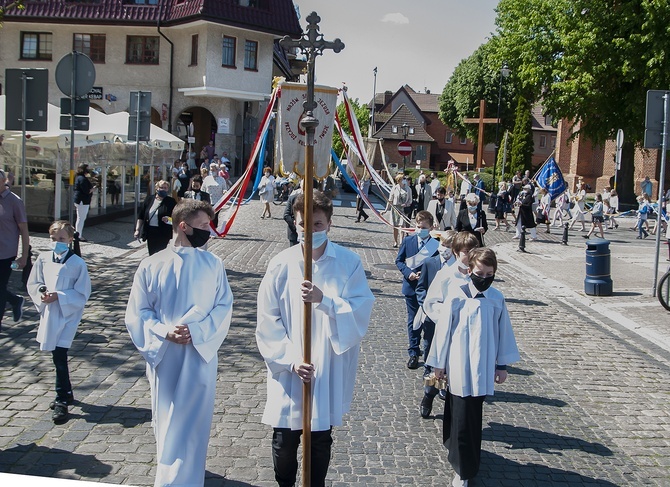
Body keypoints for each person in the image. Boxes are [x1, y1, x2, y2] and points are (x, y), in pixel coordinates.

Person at [256, 191, 374, 487]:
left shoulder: (348, 263)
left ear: (330, 224)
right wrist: (290, 360)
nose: (310, 232)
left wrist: (325, 301)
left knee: (319, 439)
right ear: (294, 223)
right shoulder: (280, 264)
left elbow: (361, 309)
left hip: (326, 363)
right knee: (284, 440)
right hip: (290, 366)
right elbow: (267, 319)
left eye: (318, 225)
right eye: (303, 225)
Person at [126, 199, 233, 487]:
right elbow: (139, 311)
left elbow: (223, 306)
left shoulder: (214, 264)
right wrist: (164, 331)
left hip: (200, 353)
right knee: (167, 416)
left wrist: (198, 331)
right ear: (183, 226)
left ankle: (190, 478)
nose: (207, 231)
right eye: (201, 226)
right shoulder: (151, 265)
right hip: (166, 354)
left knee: (195, 419)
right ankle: (169, 476)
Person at [426, 247, 520, 487]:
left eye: (490, 274)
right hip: (457, 362)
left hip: (483, 365)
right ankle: (459, 462)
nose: (485, 278)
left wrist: (501, 365)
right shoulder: (456, 296)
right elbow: (444, 331)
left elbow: (503, 333)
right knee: (458, 410)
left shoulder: (496, 298)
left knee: (470, 414)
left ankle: (465, 465)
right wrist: (438, 363)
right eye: (481, 273)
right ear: (469, 271)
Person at [27, 221, 91, 424]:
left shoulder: (77, 264)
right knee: (56, 355)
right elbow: (34, 282)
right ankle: (66, 392)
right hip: (50, 312)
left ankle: (61, 397)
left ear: (71, 240)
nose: (57, 243)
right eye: (54, 239)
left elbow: (82, 292)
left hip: (67, 314)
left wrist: (60, 296)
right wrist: (42, 293)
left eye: (62, 239)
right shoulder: (44, 258)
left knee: (60, 355)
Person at [415, 230, 457, 418]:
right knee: (432, 355)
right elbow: (422, 288)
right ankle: (428, 394)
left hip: (453, 322)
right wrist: (427, 306)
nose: (444, 250)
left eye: (449, 247)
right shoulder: (431, 263)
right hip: (433, 319)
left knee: (448, 360)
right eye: (443, 245)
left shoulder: (459, 269)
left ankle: (443, 388)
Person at [395, 210, 440, 369]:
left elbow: (439, 265)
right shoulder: (408, 241)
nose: (419, 229)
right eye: (417, 226)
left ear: (431, 227)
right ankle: (413, 352)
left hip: (429, 289)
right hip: (411, 287)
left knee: (428, 323)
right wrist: (409, 274)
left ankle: (429, 355)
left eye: (423, 227)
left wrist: (425, 275)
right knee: (413, 321)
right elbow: (399, 261)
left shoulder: (437, 245)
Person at [0, 169, 30, 329]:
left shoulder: (14, 201)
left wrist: (24, 255)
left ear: (3, 181)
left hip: (6, 253)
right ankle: (14, 300)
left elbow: (24, 230)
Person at [134, 180, 177, 256]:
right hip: (151, 232)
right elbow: (141, 216)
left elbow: (176, 218)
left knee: (161, 254)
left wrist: (169, 220)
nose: (163, 189)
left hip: (164, 232)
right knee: (152, 253)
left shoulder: (171, 201)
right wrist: (137, 230)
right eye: (161, 187)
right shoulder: (149, 199)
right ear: (156, 188)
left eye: (165, 188)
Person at [384, 174, 412, 248]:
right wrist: (386, 210)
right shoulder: (394, 188)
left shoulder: (408, 189)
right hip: (395, 209)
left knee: (402, 226)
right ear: (399, 180)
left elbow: (410, 200)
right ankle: (395, 241)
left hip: (403, 209)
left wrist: (406, 204)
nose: (404, 180)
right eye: (403, 178)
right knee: (395, 227)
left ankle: (401, 242)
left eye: (404, 178)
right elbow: (390, 200)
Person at [73, 164, 94, 242]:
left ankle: (78, 234)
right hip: (82, 201)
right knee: (81, 218)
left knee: (80, 218)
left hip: (79, 200)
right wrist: (92, 189)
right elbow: (86, 191)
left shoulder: (78, 177)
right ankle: (79, 235)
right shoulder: (83, 179)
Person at [283, 179, 304, 247]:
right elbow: (286, 215)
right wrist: (297, 226)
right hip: (294, 233)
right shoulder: (293, 198)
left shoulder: (315, 199)